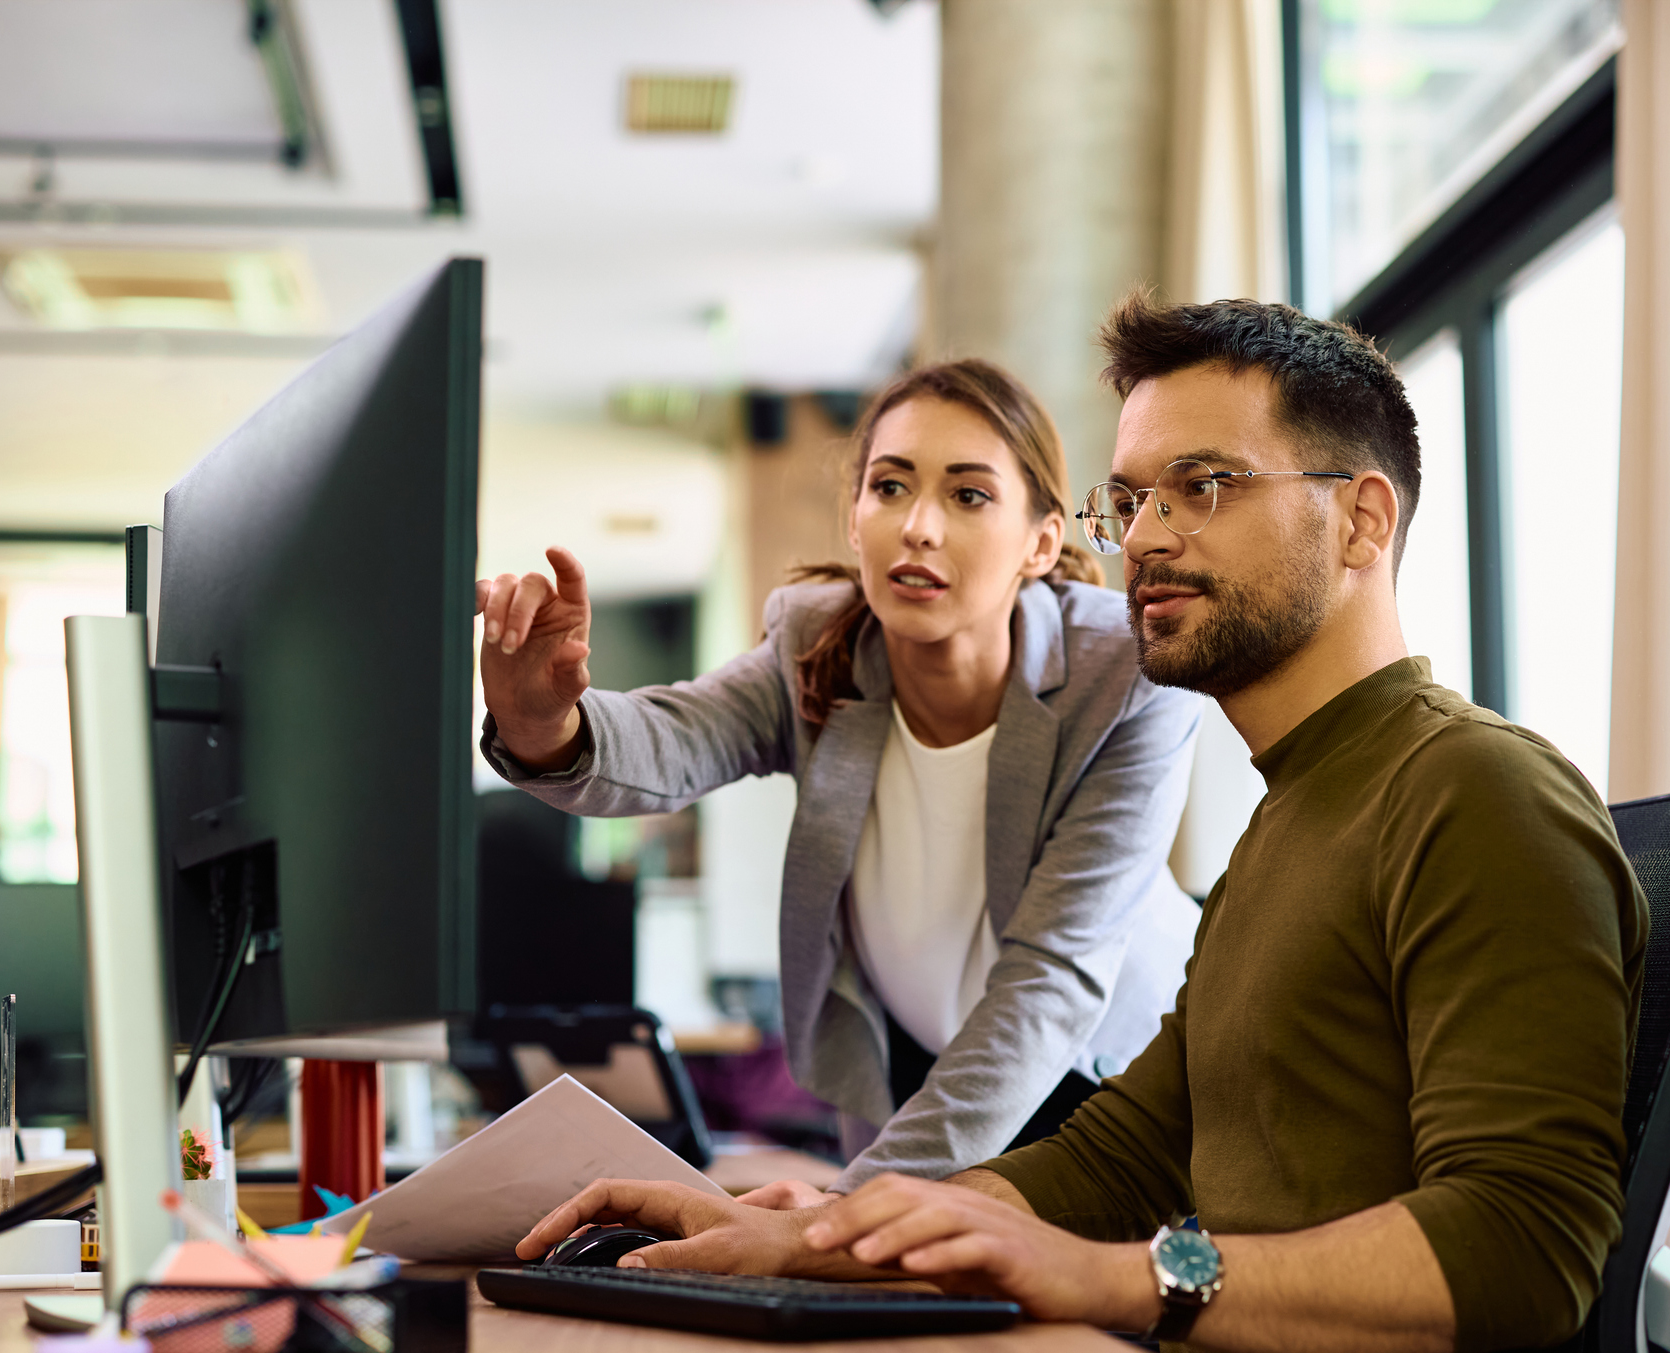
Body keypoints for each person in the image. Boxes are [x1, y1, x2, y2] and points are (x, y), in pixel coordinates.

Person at [517, 296, 1649, 1353]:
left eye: (1203, 486)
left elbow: (1526, 1245)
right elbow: (1123, 1154)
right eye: (1134, 499)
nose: (1150, 536)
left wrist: (1121, 1276)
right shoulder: (1286, 822)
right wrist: (821, 1233)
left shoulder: (1474, 789)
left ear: (1360, 522)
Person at [475, 358, 1202, 1193]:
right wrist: (544, 723)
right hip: (918, 1085)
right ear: (855, 521)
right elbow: (675, 738)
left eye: (968, 496)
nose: (917, 526)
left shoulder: (1124, 676)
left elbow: (1052, 979)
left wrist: (848, 1207)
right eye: (889, 487)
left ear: (1039, 543)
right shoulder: (818, 647)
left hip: (1111, 1090)